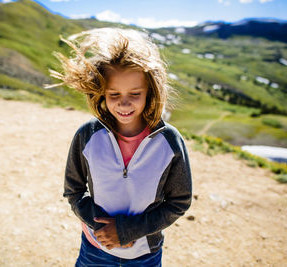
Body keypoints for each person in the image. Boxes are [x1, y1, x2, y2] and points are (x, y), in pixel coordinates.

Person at [47, 27, 192, 266]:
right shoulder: (87, 135)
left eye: (135, 93)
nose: (124, 103)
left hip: (145, 255)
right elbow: (74, 191)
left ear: (150, 92)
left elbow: (179, 201)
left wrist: (127, 231)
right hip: (95, 249)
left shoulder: (169, 142)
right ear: (102, 94)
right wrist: (102, 228)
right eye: (114, 94)